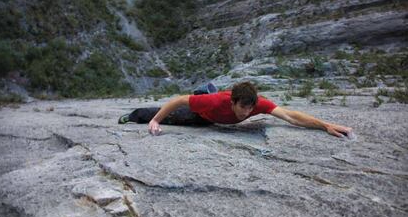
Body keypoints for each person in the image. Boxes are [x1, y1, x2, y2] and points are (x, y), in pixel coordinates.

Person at [118, 81, 352, 137]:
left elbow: (291, 116)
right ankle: (132, 115)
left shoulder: (256, 105)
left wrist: (325, 125)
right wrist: (156, 120)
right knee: (178, 117)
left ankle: (208, 87)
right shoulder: (216, 102)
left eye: (250, 109)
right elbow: (178, 100)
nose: (246, 113)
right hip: (203, 111)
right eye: (242, 108)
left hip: (214, 114)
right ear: (232, 102)